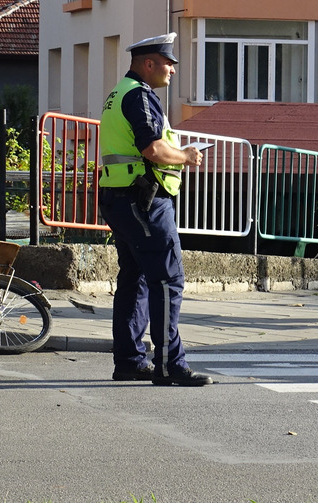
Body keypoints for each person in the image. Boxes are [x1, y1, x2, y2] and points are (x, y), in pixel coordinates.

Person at [98, 32, 213, 386]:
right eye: (168, 63)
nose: (172, 70)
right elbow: (153, 149)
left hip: (120, 196)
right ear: (148, 64)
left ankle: (130, 361)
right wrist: (187, 156)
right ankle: (168, 365)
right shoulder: (139, 96)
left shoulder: (119, 93)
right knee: (167, 279)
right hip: (143, 200)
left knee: (135, 279)